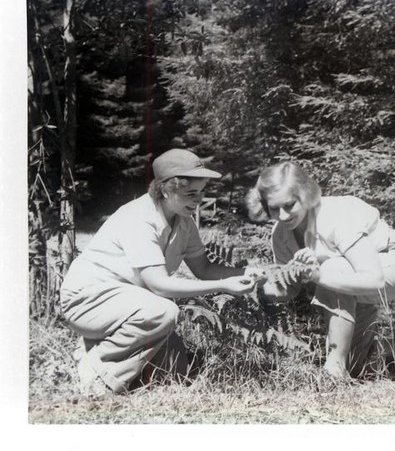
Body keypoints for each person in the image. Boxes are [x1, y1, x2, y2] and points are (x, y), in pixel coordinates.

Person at [60, 149, 257, 395]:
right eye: (190, 193)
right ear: (165, 189)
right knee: (164, 311)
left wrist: (247, 272)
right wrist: (223, 286)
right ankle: (97, 375)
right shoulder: (139, 217)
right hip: (87, 299)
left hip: (128, 302)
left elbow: (204, 269)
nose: (198, 200)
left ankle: (98, 350)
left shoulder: (184, 222)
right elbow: (160, 286)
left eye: (202, 191)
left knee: (175, 371)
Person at [245, 161, 395, 381]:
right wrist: (259, 284)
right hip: (350, 280)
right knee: (358, 365)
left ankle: (334, 369)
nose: (282, 216)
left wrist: (318, 273)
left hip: (393, 261)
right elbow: (289, 290)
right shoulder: (280, 235)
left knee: (333, 266)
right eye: (273, 208)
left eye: (289, 205)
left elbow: (374, 279)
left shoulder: (335, 216)